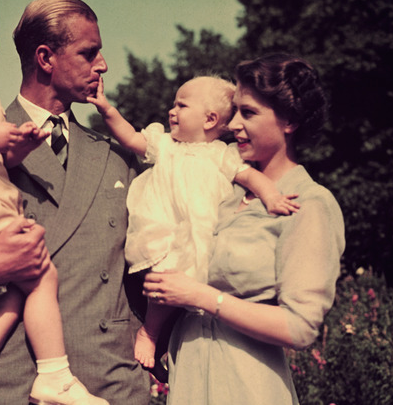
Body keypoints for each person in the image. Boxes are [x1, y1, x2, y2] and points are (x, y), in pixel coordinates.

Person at [0, 0, 150, 404]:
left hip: (109, 383)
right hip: (14, 385)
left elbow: (147, 265)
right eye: (89, 53)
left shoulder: (116, 156)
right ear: (45, 58)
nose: (103, 65)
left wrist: (155, 337)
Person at [141, 54, 346, 404]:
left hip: (248, 387)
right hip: (188, 380)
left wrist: (200, 296)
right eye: (234, 111)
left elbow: (300, 326)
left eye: (248, 113)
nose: (232, 124)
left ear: (290, 122)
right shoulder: (220, 192)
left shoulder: (310, 204)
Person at [87, 75, 300, 370]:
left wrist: (272, 196)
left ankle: (167, 347)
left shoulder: (221, 155)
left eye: (181, 105)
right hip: (162, 231)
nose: (171, 111)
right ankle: (149, 332)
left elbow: (251, 176)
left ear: (210, 119)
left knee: (190, 292)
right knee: (165, 281)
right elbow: (131, 138)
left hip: (200, 235)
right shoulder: (165, 145)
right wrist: (107, 110)